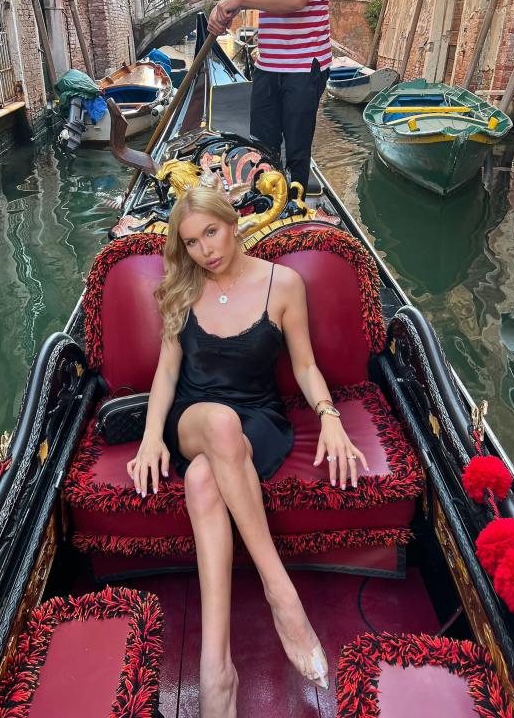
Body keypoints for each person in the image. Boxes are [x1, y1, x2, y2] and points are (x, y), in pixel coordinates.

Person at [127, 188, 368, 717]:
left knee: (202, 480)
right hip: (194, 418)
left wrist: (329, 416)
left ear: (232, 223)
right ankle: (282, 595)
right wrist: (150, 438)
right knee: (217, 423)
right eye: (192, 242)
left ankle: (216, 670)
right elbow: (166, 372)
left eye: (211, 233)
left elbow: (304, 365)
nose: (205, 251)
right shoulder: (181, 289)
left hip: (259, 421)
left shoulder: (283, 284)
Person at [208, 0, 340, 192]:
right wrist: (220, 7)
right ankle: (267, 203)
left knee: (297, 153)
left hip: (305, 65)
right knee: (261, 150)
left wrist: (240, 0)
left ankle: (296, 205)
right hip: (267, 63)